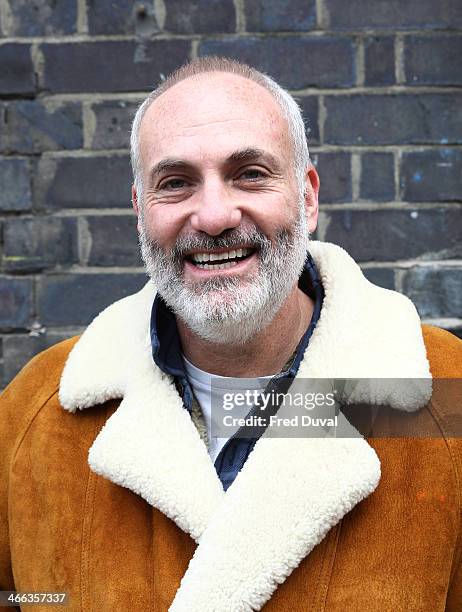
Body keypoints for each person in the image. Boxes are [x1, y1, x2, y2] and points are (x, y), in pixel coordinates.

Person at [0, 57, 461, 612]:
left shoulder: (446, 394)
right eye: (175, 184)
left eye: (250, 173)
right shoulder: (35, 410)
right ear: (140, 212)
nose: (215, 215)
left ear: (308, 197)